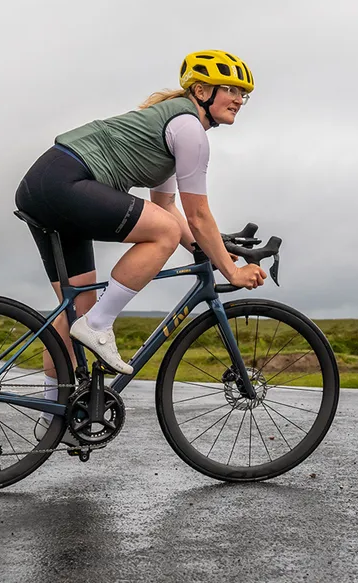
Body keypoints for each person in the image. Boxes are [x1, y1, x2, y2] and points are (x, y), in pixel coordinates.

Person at [14, 50, 267, 421]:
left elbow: (167, 208)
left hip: (45, 185)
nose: (239, 99)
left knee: (75, 311)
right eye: (230, 89)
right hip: (64, 182)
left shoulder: (170, 126)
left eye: (243, 94)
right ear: (201, 91)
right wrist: (232, 271)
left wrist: (207, 248)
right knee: (155, 243)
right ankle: (98, 326)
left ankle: (54, 419)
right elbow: (196, 216)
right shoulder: (189, 129)